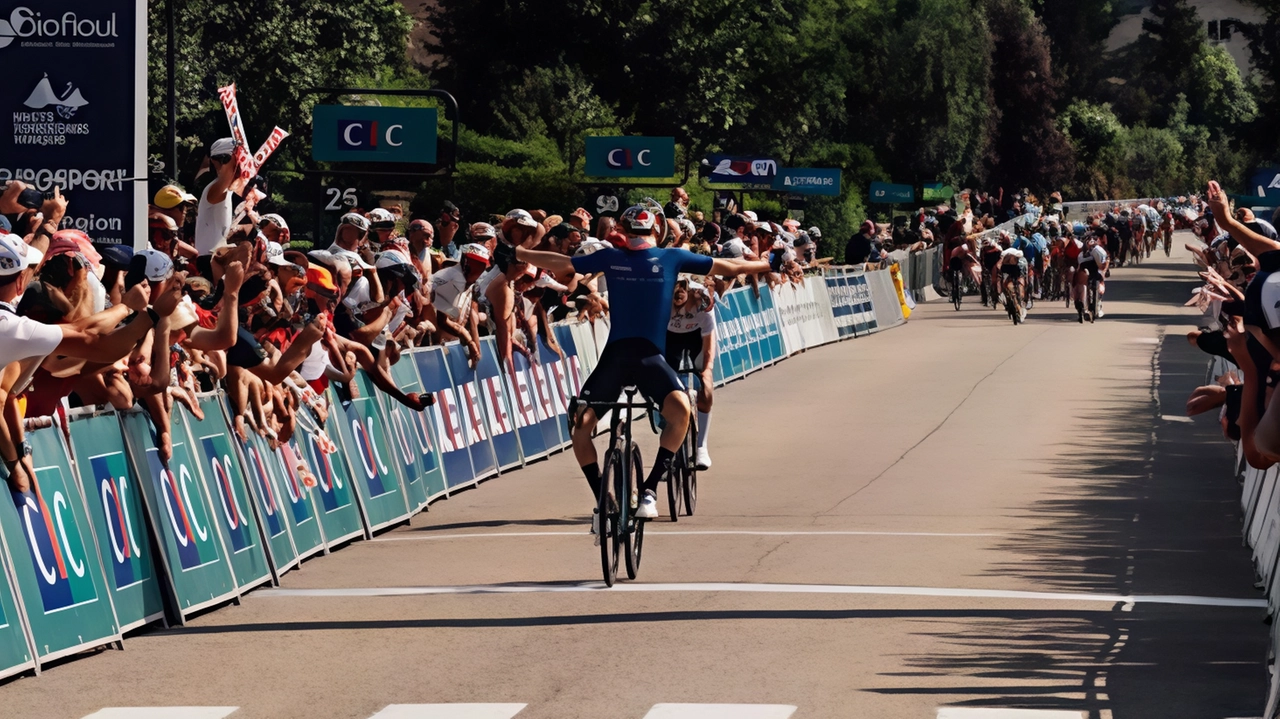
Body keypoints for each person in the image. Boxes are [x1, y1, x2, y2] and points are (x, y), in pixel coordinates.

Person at [507, 204, 768, 524]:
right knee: (681, 414)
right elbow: (727, 266)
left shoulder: (611, 257)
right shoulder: (672, 257)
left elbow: (561, 263)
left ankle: (603, 495)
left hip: (615, 357)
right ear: (656, 229)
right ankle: (649, 491)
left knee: (581, 429)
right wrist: (761, 266)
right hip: (651, 359)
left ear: (625, 230)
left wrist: (522, 253)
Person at [666, 278, 716, 470]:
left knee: (707, 388)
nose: (678, 297)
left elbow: (709, 350)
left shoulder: (701, 303)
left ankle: (702, 446)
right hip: (669, 336)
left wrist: (706, 372)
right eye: (674, 294)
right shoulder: (662, 300)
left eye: (682, 294)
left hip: (697, 336)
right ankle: (669, 440)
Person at [194, 138, 238, 274]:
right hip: (208, 259)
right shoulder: (213, 188)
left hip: (219, 257)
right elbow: (226, 178)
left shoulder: (228, 189)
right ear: (216, 161)